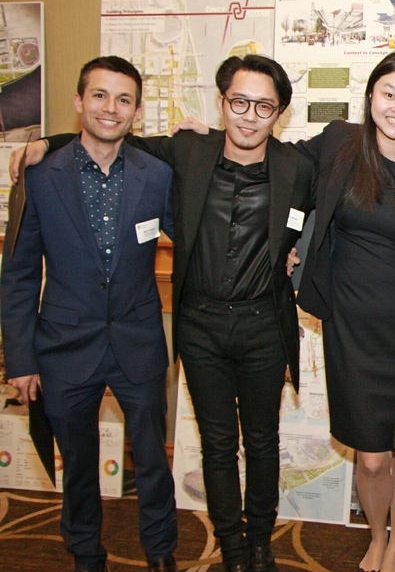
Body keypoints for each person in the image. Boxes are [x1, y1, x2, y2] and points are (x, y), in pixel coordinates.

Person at [15, 54, 315, 572]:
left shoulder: (298, 167)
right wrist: (50, 142)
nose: (249, 115)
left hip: (263, 323)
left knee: (263, 441)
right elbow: (110, 136)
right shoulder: (187, 152)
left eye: (263, 105)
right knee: (217, 444)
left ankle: (258, 544)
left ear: (279, 112)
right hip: (198, 326)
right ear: (222, 103)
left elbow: (334, 205)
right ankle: (233, 547)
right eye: (239, 101)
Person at [1, 56, 177, 572]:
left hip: (137, 341)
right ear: (79, 101)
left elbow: (195, 238)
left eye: (124, 99)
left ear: (136, 111)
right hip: (63, 347)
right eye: (99, 95)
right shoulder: (39, 175)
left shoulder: (158, 175)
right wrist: (21, 358)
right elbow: (18, 274)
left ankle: (161, 554)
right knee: (77, 465)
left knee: (152, 464)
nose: (110, 108)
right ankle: (85, 556)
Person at [295, 51, 395, 572]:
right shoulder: (340, 144)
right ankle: (375, 532)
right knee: (370, 454)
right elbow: (277, 167)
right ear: (370, 97)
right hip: (349, 328)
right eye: (389, 94)